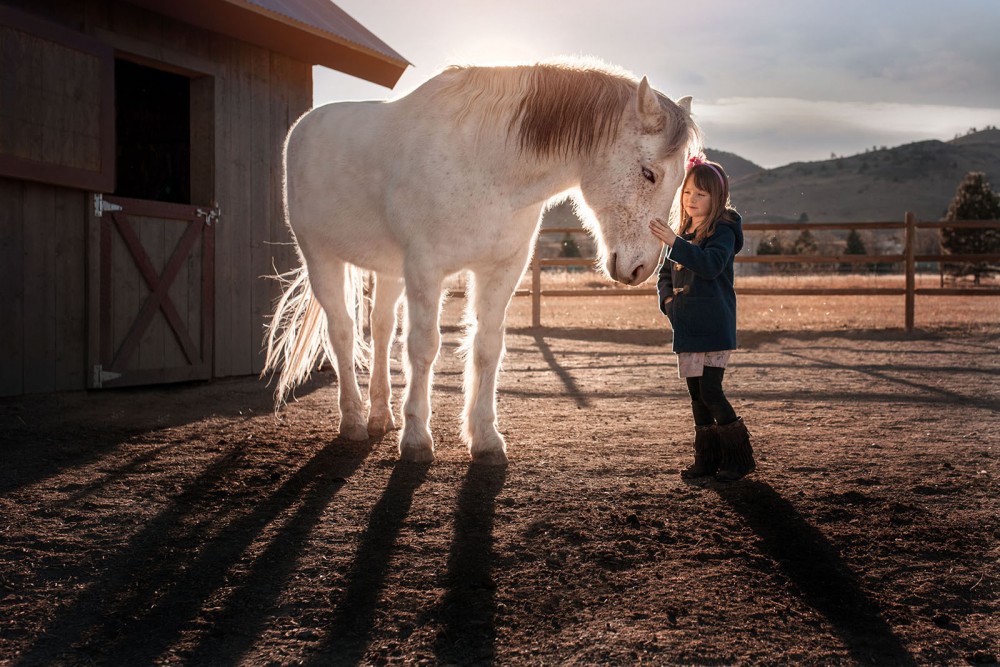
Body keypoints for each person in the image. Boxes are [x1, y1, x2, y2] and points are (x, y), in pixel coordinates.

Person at [648, 155, 755, 482]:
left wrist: (673, 242)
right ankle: (707, 460)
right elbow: (664, 274)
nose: (691, 200)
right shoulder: (682, 230)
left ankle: (738, 459)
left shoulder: (723, 230)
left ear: (717, 198)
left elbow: (710, 265)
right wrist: (668, 302)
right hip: (687, 325)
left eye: (701, 194)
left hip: (713, 323)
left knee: (711, 392)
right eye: (688, 192)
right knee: (696, 396)